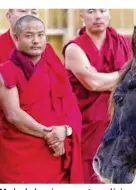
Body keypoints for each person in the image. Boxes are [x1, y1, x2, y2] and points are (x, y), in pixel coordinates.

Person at [0, 15, 83, 183]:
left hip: (54, 155)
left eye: (41, 34)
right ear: (16, 38)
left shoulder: (55, 68)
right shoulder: (6, 71)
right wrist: (51, 135)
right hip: (20, 155)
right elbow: (13, 114)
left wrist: (65, 130)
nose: (36, 40)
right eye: (29, 35)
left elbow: (70, 106)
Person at [62, 9, 132, 183]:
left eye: (103, 10)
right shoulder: (74, 48)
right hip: (87, 124)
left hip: (119, 124)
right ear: (81, 16)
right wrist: (124, 74)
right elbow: (93, 83)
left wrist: (106, 78)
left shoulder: (124, 43)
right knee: (89, 175)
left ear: (109, 14)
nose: (98, 16)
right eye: (91, 11)